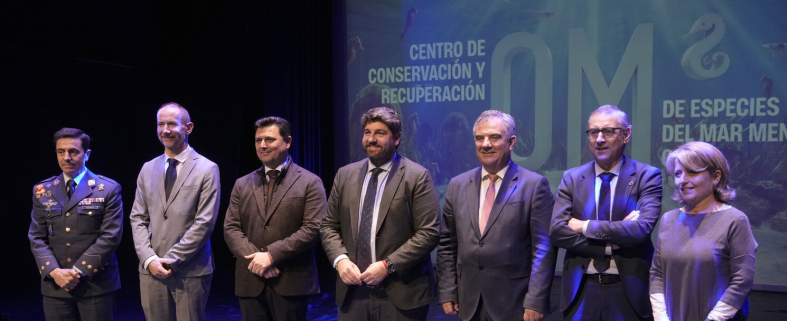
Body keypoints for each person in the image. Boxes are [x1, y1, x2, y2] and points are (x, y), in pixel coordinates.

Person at [320, 107, 440, 321]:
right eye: (367, 132)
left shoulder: (417, 176)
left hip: (401, 293)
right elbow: (329, 225)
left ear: (397, 138)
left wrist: (388, 265)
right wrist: (340, 260)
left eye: (380, 133)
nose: (371, 139)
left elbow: (428, 233)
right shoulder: (345, 175)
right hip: (353, 293)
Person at [437, 110, 557, 321]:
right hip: (469, 301)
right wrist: (447, 290)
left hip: (515, 303)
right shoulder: (457, 185)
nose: (486, 144)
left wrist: (536, 300)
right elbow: (447, 243)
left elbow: (543, 248)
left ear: (511, 142)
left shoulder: (534, 185)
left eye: (494, 137)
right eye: (480, 138)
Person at [550, 105, 663, 320]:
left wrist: (584, 226)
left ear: (626, 134)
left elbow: (641, 229)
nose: (599, 139)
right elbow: (557, 231)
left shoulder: (647, 176)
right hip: (581, 289)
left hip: (628, 289)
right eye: (594, 132)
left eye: (608, 131)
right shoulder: (572, 178)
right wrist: (609, 245)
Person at [223, 117, 326, 321]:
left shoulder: (310, 182)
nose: (262, 145)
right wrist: (257, 260)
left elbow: (314, 228)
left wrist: (271, 256)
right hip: (250, 281)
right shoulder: (242, 184)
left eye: (269, 139)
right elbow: (231, 228)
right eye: (258, 140)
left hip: (291, 282)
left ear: (287, 142)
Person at [130, 102, 221, 321]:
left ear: (188, 128)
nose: (165, 130)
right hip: (151, 270)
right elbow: (137, 218)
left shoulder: (207, 168)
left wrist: (170, 260)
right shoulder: (147, 168)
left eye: (172, 123)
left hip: (191, 271)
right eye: (161, 124)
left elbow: (204, 223)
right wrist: (149, 259)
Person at [650, 141, 756, 321]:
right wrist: (661, 317)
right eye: (677, 173)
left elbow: (741, 282)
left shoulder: (735, 220)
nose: (682, 180)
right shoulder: (668, 219)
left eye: (692, 172)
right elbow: (656, 274)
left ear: (716, 177)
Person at [29, 128, 123, 321]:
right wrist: (54, 271)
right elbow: (36, 236)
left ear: (87, 154)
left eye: (73, 151)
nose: (67, 157)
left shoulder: (108, 189)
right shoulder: (42, 190)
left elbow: (110, 236)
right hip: (56, 284)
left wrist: (77, 272)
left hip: (95, 284)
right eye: (61, 152)